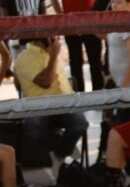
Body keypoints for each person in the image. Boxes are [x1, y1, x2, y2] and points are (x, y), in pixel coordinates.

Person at [13, 36, 86, 170]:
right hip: (38, 106)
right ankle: (61, 153)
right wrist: (54, 56)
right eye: (53, 37)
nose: (57, 39)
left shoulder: (53, 54)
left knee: (80, 122)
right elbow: (46, 82)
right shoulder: (26, 57)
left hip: (63, 104)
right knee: (33, 127)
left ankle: (61, 153)